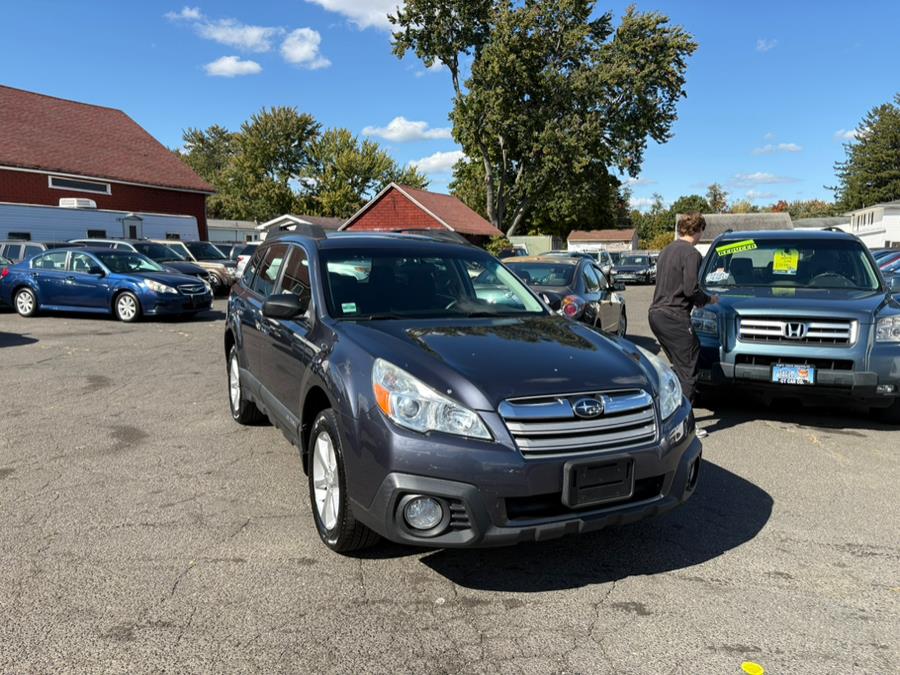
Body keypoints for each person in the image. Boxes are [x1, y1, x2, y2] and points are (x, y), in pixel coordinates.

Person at [648, 213, 718, 433]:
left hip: (656, 314)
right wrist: (708, 300)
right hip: (675, 316)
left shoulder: (666, 250)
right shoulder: (692, 254)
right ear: (698, 231)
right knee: (689, 371)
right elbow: (690, 289)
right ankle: (684, 425)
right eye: (701, 232)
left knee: (679, 369)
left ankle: (664, 415)